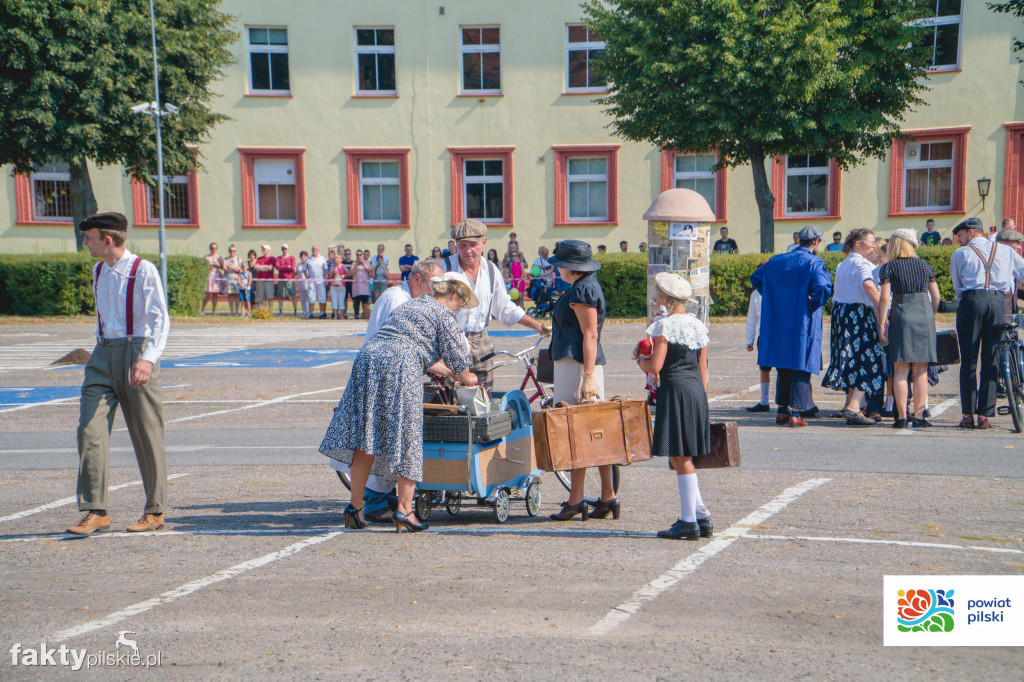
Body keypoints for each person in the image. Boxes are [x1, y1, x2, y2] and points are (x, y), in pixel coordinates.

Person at [319, 272, 479, 533]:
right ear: (454, 295)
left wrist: (448, 371)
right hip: (400, 365)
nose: (460, 308)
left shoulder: (412, 305)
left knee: (366, 435)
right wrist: (468, 378)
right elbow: (458, 363)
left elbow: (408, 345)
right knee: (408, 437)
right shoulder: (444, 315)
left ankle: (354, 508)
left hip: (368, 359)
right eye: (461, 303)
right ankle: (405, 510)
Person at [66, 212, 170, 535]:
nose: (85, 242)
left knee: (146, 432)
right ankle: (96, 510)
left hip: (136, 352)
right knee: (89, 430)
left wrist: (147, 359)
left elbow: (160, 320)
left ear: (107, 240)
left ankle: (155, 510)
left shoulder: (143, 270)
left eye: (89, 237)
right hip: (102, 353)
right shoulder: (98, 270)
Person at [636, 273, 712, 540]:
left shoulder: (664, 327)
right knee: (681, 456)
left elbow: (655, 366)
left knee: (681, 457)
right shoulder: (697, 325)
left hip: (676, 390)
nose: (654, 300)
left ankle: (689, 521)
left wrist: (640, 360)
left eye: (656, 296)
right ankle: (700, 514)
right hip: (695, 392)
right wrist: (702, 399)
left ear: (666, 300)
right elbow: (703, 368)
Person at [545, 240, 613, 522]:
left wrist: (586, 377)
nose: (557, 267)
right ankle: (607, 495)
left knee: (578, 434)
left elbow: (591, 335)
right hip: (579, 365)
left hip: (577, 366)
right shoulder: (585, 285)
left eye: (559, 263)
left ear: (569, 266)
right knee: (594, 432)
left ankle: (577, 500)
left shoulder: (583, 289)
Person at [441, 219, 547, 388]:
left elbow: (504, 307)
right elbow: (431, 311)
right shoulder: (445, 268)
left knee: (484, 400)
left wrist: (536, 325)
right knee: (451, 403)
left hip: (481, 342)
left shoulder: (491, 270)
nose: (467, 250)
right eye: (462, 245)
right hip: (450, 342)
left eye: (473, 245)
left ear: (484, 243)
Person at [750, 225, 833, 427]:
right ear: (816, 242)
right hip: (803, 319)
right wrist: (813, 301)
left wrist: (773, 296)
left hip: (779, 318)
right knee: (801, 363)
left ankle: (781, 411)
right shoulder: (815, 262)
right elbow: (823, 286)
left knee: (783, 364)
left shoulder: (778, 260)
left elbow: (756, 277)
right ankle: (796, 413)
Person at [950, 217, 1024, 428]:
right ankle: (985, 415)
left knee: (969, 359)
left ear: (971, 233)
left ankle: (967, 415)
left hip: (971, 301)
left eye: (961, 235)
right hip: (997, 302)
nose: (959, 240)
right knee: (992, 357)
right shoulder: (1007, 251)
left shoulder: (960, 254)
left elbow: (958, 285)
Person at [877, 229, 941, 429]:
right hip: (923, 315)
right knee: (921, 370)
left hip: (902, 316)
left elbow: (885, 298)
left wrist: (881, 323)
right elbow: (936, 297)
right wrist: (929, 313)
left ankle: (902, 417)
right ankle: (920, 416)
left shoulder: (888, 268)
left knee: (900, 370)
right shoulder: (925, 265)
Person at [821, 229, 884, 426]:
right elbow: (868, 285)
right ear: (859, 244)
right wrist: (883, 308)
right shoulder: (862, 263)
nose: (874, 245)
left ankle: (850, 404)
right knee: (868, 358)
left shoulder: (842, 264)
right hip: (858, 314)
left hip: (841, 313)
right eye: (871, 242)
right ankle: (854, 406)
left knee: (848, 358)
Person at [744, 261, 772, 412]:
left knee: (783, 370)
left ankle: (784, 403)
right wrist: (750, 339)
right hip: (764, 336)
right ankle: (764, 401)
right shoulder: (756, 294)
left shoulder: (777, 290)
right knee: (764, 369)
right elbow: (752, 318)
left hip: (778, 335)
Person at [305, 245, 329, 319]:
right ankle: (311, 313)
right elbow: (304, 269)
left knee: (322, 297)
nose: (315, 250)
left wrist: (326, 279)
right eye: (313, 249)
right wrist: (307, 277)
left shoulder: (322, 258)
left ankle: (322, 313)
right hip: (312, 280)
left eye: (316, 249)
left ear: (318, 250)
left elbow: (325, 270)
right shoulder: (308, 259)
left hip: (321, 280)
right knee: (311, 296)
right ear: (311, 250)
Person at [275, 244, 297, 316]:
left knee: (293, 295)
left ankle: (295, 311)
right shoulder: (278, 258)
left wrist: (284, 267)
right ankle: (280, 311)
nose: (284, 250)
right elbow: (277, 267)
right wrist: (287, 266)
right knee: (281, 296)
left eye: (285, 249)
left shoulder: (292, 258)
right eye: (283, 249)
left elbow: (292, 268)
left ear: (288, 249)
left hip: (290, 279)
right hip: (281, 279)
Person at [201, 242, 222, 315]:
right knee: (207, 294)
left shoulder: (219, 257)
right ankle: (202, 310)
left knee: (215, 294)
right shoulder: (206, 257)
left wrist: (218, 265)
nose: (214, 249)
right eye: (212, 248)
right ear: (210, 249)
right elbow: (202, 266)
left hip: (216, 276)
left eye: (215, 248)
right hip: (209, 276)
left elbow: (222, 267)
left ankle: (214, 311)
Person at [253, 244, 276, 311]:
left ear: (268, 250)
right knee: (261, 297)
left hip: (269, 280)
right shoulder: (259, 258)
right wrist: (265, 266)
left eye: (264, 249)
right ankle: (263, 311)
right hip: (260, 280)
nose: (263, 250)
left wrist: (261, 267)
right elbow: (256, 267)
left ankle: (270, 310)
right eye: (262, 249)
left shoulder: (272, 258)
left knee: (269, 297)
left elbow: (270, 268)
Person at [350, 250, 372, 318]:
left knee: (365, 301)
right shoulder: (354, 263)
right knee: (356, 301)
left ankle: (365, 314)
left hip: (365, 286)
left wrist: (363, 264)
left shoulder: (367, 262)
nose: (359, 256)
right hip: (357, 286)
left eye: (360, 255)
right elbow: (351, 273)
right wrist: (356, 266)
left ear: (362, 255)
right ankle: (356, 314)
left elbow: (370, 270)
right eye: (357, 255)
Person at [222, 245, 242, 315]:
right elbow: (225, 268)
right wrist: (234, 268)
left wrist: (230, 267)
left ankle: (236, 311)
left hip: (236, 279)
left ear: (235, 251)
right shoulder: (225, 259)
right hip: (228, 279)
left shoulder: (238, 259)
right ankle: (231, 311)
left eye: (234, 251)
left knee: (237, 295)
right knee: (230, 295)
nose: (232, 252)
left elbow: (239, 268)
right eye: (230, 250)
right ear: (228, 251)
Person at [328, 254, 346, 319]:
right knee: (334, 300)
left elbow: (348, 273)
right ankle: (335, 315)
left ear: (340, 259)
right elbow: (329, 276)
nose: (336, 259)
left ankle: (341, 315)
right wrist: (333, 272)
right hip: (333, 285)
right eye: (335, 258)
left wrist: (344, 276)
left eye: (337, 258)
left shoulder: (343, 266)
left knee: (341, 300)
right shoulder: (332, 267)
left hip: (341, 285)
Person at [341, 248, 355, 318]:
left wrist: (346, 275)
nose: (347, 255)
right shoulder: (342, 263)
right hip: (344, 283)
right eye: (346, 254)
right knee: (345, 299)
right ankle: (344, 313)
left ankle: (355, 312)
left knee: (354, 298)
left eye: (348, 254)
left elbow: (352, 273)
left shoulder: (353, 263)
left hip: (352, 283)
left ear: (351, 254)